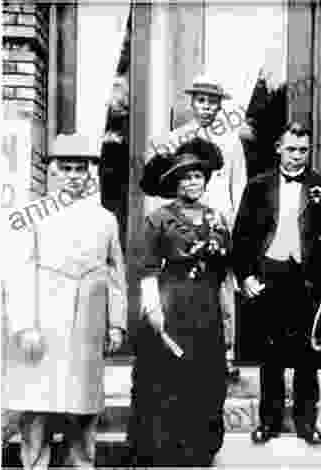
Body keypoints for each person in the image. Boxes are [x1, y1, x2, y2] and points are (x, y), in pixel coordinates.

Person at [2, 133, 127, 470]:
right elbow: (18, 272)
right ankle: (35, 465)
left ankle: (81, 464)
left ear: (90, 172)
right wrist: (25, 325)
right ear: (52, 171)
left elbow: (115, 276)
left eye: (80, 168)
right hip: (45, 322)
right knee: (37, 406)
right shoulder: (31, 215)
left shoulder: (105, 219)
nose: (73, 175)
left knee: (82, 407)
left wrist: (116, 323)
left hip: (87, 324)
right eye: (66, 168)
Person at [231, 122, 321, 446]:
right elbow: (242, 237)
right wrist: (246, 276)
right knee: (271, 357)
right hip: (270, 278)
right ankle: (268, 422)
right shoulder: (258, 186)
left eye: (303, 151)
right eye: (291, 149)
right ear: (278, 149)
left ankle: (307, 423)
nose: (297, 156)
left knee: (307, 357)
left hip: (308, 282)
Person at [128, 138, 230, 466]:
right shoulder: (159, 218)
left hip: (206, 309)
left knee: (205, 382)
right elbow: (145, 267)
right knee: (166, 381)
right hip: (170, 306)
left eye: (197, 176)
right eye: (184, 177)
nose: (191, 182)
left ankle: (200, 452)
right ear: (175, 182)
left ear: (206, 179)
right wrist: (153, 309)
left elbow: (226, 271)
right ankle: (162, 452)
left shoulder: (217, 218)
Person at [160, 73, 246, 380]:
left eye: (212, 102)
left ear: (220, 106)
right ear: (192, 103)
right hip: (186, 224)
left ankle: (227, 355)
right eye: (201, 100)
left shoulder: (231, 141)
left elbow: (240, 187)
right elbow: (166, 185)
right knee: (186, 288)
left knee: (222, 292)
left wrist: (233, 230)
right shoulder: (176, 140)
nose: (207, 107)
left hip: (219, 226)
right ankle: (186, 350)